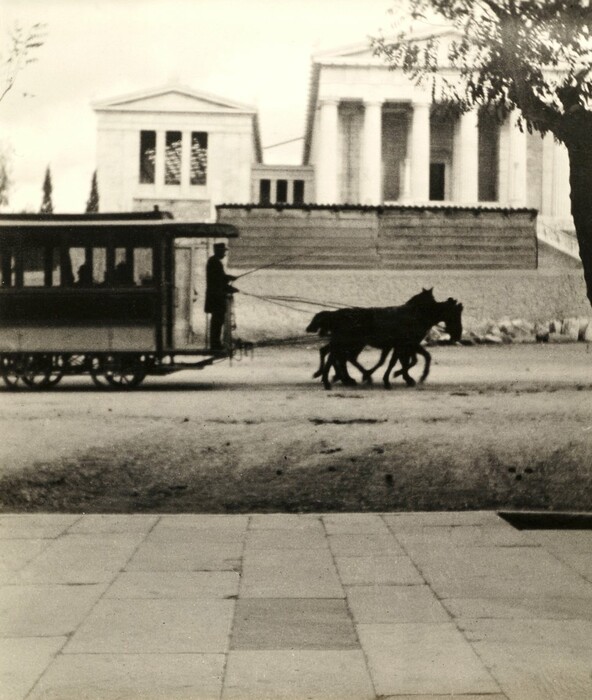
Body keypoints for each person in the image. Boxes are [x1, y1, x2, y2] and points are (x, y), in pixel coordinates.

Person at [205, 242, 238, 352]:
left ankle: (216, 344)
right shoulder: (215, 263)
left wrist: (229, 278)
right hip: (216, 297)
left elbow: (221, 278)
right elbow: (218, 281)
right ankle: (215, 345)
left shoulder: (214, 261)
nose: (225, 253)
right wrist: (230, 286)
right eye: (223, 251)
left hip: (215, 296)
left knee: (217, 321)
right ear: (217, 251)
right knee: (217, 322)